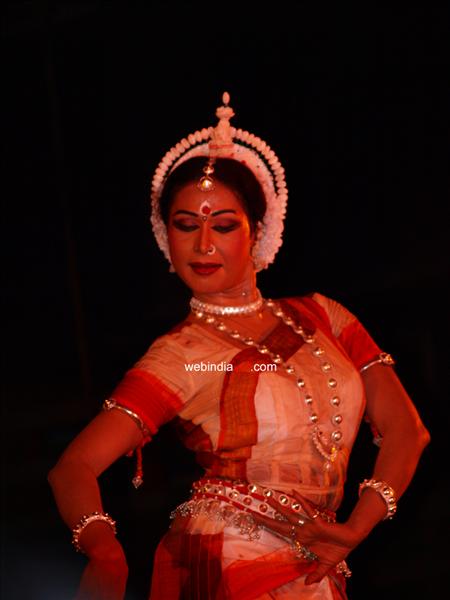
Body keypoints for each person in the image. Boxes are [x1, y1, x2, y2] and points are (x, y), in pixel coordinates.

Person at [48, 92, 430, 600]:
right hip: (226, 554)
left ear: (258, 232)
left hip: (318, 556)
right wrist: (104, 550)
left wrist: (357, 527)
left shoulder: (323, 315)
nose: (204, 245)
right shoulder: (180, 353)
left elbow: (408, 430)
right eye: (186, 226)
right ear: (166, 237)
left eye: (223, 225)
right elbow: (73, 467)